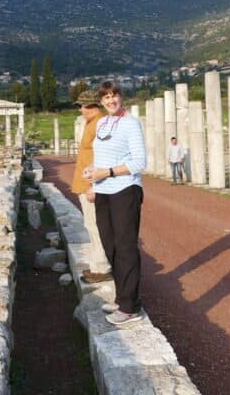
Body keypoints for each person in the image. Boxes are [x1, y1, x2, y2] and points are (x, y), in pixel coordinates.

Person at [83, 80, 147, 326]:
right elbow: (101, 156)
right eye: (106, 97)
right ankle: (122, 298)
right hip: (103, 190)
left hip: (125, 189)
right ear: (101, 101)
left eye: (114, 96)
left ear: (121, 97)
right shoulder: (102, 123)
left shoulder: (131, 123)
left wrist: (107, 172)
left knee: (126, 246)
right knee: (110, 245)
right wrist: (93, 175)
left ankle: (130, 307)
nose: (111, 100)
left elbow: (139, 163)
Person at [70, 90, 113, 284]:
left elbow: (102, 157)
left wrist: (92, 185)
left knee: (96, 225)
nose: (80, 109)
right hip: (85, 183)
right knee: (91, 224)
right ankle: (97, 265)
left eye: (82, 105)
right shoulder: (91, 123)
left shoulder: (100, 125)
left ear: (92, 107)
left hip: (92, 185)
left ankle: (102, 267)